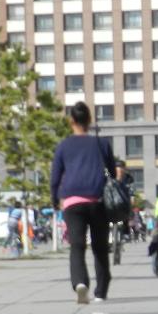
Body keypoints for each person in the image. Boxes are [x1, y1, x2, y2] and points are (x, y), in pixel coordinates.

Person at [50, 101, 115, 303]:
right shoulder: (102, 144)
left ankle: (80, 282)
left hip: (72, 202)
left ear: (71, 121)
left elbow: (55, 177)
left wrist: (55, 199)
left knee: (77, 245)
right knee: (100, 247)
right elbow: (112, 174)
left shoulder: (63, 146)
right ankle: (101, 292)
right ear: (89, 120)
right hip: (98, 200)